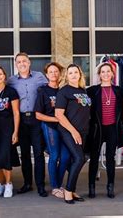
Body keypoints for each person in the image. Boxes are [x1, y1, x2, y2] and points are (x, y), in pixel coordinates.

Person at [7, 52, 48, 196]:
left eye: (24, 61)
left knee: (38, 154)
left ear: (29, 62)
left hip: (36, 119)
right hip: (21, 120)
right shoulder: (11, 81)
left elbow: (48, 93)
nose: (22, 64)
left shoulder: (39, 77)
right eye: (19, 62)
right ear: (16, 64)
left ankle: (41, 185)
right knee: (24, 155)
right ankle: (27, 183)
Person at [87, 63, 123, 199]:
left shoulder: (119, 91)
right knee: (94, 158)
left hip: (112, 129)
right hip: (97, 129)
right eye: (102, 72)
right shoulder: (92, 91)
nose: (105, 74)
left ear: (112, 73)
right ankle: (91, 186)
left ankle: (110, 186)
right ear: (99, 75)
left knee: (111, 158)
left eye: (108, 71)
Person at [55, 64, 91, 204]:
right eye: (71, 73)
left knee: (76, 160)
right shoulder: (64, 91)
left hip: (83, 130)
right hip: (68, 130)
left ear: (80, 75)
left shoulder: (83, 91)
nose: (74, 75)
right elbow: (59, 114)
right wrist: (73, 131)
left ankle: (72, 189)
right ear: (66, 76)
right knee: (79, 158)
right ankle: (68, 191)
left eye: (76, 72)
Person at [35, 62, 70, 199]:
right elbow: (38, 114)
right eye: (51, 72)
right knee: (54, 156)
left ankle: (58, 184)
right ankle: (55, 187)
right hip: (50, 126)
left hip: (64, 127)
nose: (54, 74)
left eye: (56, 71)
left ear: (60, 73)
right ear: (46, 74)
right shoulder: (43, 91)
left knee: (66, 156)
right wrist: (57, 119)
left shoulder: (64, 90)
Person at [0, 65, 19, 198]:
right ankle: (1, 183)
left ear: (4, 76)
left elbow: (16, 113)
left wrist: (15, 132)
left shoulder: (11, 91)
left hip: (8, 128)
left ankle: (8, 184)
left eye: (0, 74)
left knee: (5, 157)